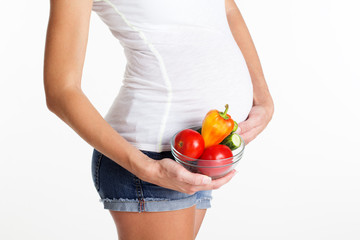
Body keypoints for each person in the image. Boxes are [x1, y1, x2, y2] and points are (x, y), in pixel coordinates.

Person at [43, 0, 274, 239]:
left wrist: (263, 98)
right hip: (150, 156)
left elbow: (226, 8)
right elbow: (61, 91)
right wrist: (148, 169)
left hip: (202, 149)